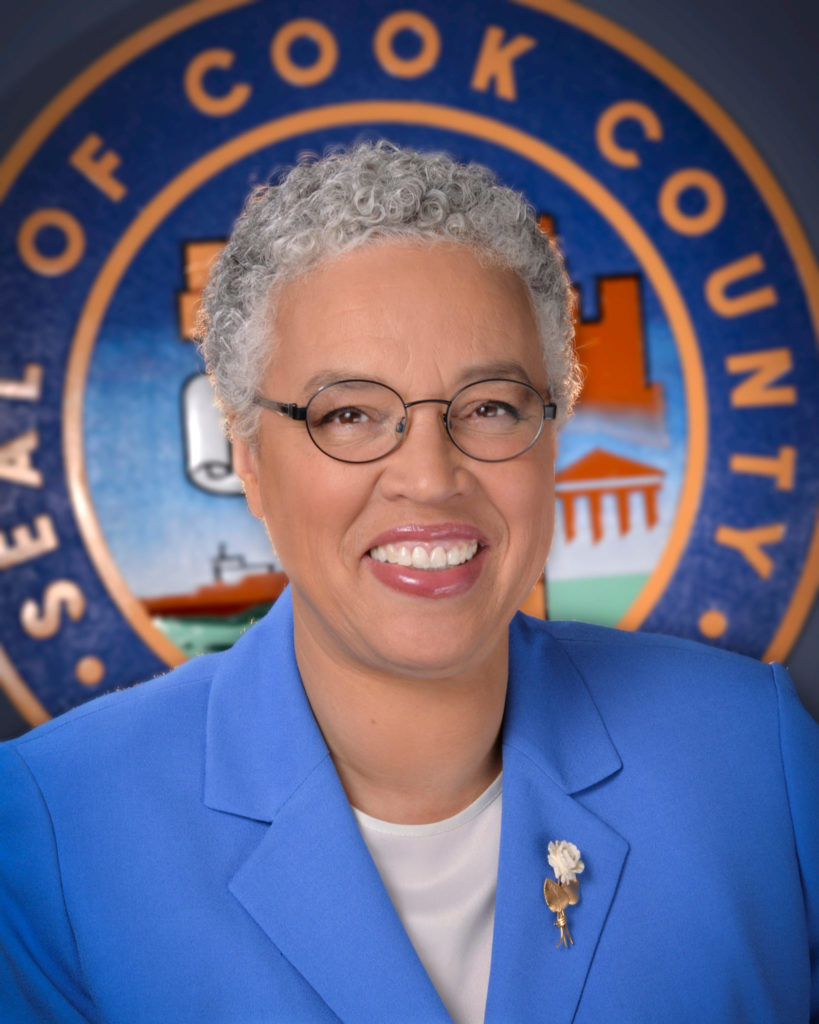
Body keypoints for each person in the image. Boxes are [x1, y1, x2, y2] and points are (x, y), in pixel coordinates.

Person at [0, 141, 816, 1024]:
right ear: (246, 456)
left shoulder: (755, 757)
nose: (429, 477)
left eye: (490, 407)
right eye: (349, 413)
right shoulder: (50, 828)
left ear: (552, 436)